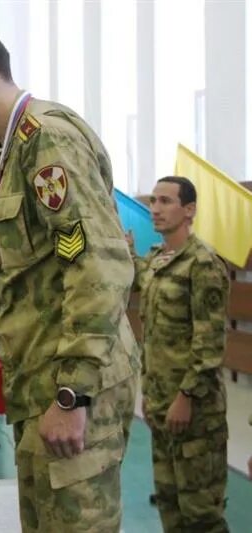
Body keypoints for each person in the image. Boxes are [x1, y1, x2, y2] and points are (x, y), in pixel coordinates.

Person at [0, 21, 139, 532]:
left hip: (77, 386)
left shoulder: (49, 140)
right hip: (33, 387)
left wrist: (73, 395)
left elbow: (99, 268)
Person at [128, 176, 229, 532]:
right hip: (160, 407)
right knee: (170, 506)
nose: (155, 208)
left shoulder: (203, 264)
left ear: (189, 210)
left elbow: (209, 344)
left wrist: (185, 397)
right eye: (153, 200)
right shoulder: (157, 260)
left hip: (195, 412)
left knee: (201, 515)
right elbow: (139, 279)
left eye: (166, 201)